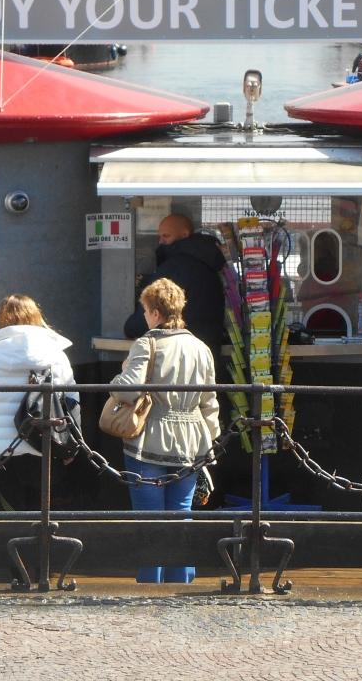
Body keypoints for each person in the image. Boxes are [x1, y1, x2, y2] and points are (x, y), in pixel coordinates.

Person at [112, 278, 221, 583]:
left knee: (151, 523)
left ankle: (150, 589)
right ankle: (180, 586)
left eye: (146, 311)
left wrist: (121, 374)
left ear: (156, 313)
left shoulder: (147, 343)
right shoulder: (201, 348)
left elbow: (128, 390)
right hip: (190, 442)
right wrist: (209, 443)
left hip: (148, 440)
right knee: (180, 519)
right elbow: (209, 402)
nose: (145, 317)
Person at [0, 295, 76, 511]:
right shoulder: (57, 355)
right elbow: (70, 403)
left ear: (2, 318)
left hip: (2, 454)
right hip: (46, 446)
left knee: (10, 517)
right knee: (43, 518)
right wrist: (70, 447)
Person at [124, 213, 226, 359]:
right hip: (206, 351)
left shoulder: (174, 267)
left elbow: (148, 315)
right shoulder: (208, 264)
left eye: (166, 236)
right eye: (160, 236)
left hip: (178, 355)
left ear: (184, 234)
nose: (161, 241)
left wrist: (130, 328)